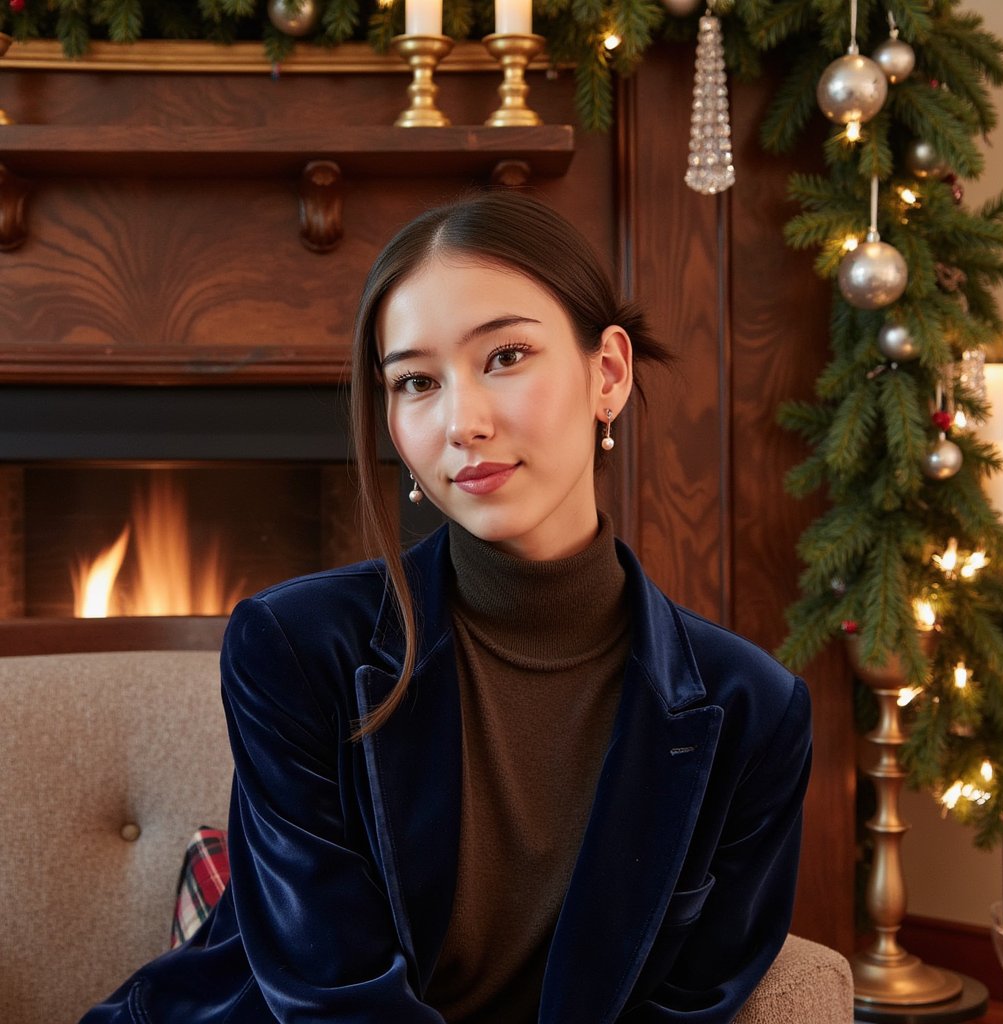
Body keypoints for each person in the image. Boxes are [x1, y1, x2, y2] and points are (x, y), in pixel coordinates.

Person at [81, 190, 812, 1023]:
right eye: (418, 381)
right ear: (394, 423)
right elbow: (332, 999)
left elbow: (688, 1007)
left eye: (505, 356)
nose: (462, 422)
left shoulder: (752, 712)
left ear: (607, 372)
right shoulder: (293, 648)